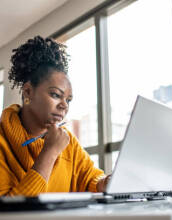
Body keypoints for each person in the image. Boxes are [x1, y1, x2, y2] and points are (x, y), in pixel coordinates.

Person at [0, 36, 109, 196]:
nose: (64, 105)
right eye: (56, 95)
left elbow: (90, 178)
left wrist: (105, 183)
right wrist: (50, 152)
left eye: (68, 100)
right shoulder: (3, 142)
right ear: (28, 91)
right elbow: (9, 212)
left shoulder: (68, 142)